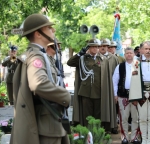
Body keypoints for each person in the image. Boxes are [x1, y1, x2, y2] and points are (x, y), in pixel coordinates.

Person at [10, 14, 71, 144]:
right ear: (38, 34)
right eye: (49, 28)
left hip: (48, 122)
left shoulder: (38, 54)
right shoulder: (36, 56)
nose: (53, 30)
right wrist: (65, 96)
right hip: (48, 124)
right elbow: (38, 84)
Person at [67, 38, 117, 133]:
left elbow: (106, 77)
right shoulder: (82, 58)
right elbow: (70, 63)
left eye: (96, 47)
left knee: (98, 116)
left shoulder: (103, 59)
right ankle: (88, 135)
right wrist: (79, 54)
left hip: (99, 92)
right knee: (87, 116)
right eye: (92, 47)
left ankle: (96, 134)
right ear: (88, 48)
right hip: (86, 92)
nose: (95, 49)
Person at [113, 47, 140, 144]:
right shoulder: (120, 66)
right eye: (127, 53)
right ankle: (124, 137)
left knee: (135, 118)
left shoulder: (138, 65)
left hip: (136, 96)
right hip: (123, 95)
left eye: (131, 53)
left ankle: (134, 137)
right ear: (124, 55)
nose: (129, 55)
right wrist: (115, 94)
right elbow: (115, 81)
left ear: (134, 54)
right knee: (123, 118)